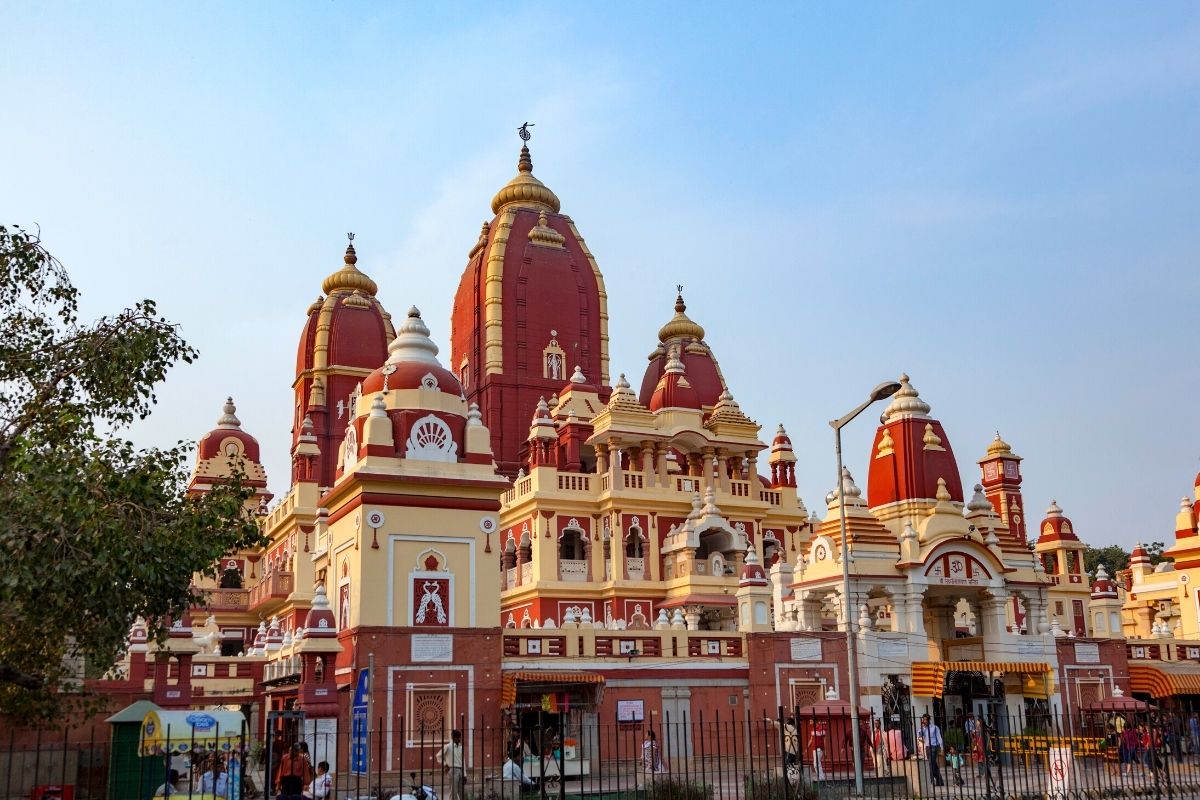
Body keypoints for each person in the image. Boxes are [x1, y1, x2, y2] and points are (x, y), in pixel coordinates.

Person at [917, 714, 944, 787]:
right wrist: (922, 729)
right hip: (927, 747)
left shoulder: (935, 727)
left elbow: (939, 738)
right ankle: (940, 781)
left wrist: (942, 748)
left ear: (928, 720)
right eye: (923, 720)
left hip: (934, 747)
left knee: (930, 764)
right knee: (933, 764)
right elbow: (919, 736)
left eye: (925, 719)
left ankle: (931, 781)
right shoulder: (923, 728)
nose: (924, 721)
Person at [437, 729, 465, 800]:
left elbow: (463, 761)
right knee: (453, 792)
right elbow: (438, 756)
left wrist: (464, 774)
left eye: (460, 737)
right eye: (458, 737)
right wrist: (445, 764)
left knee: (461, 791)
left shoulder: (461, 747)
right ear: (454, 737)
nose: (459, 739)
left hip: (460, 770)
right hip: (452, 770)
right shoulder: (448, 746)